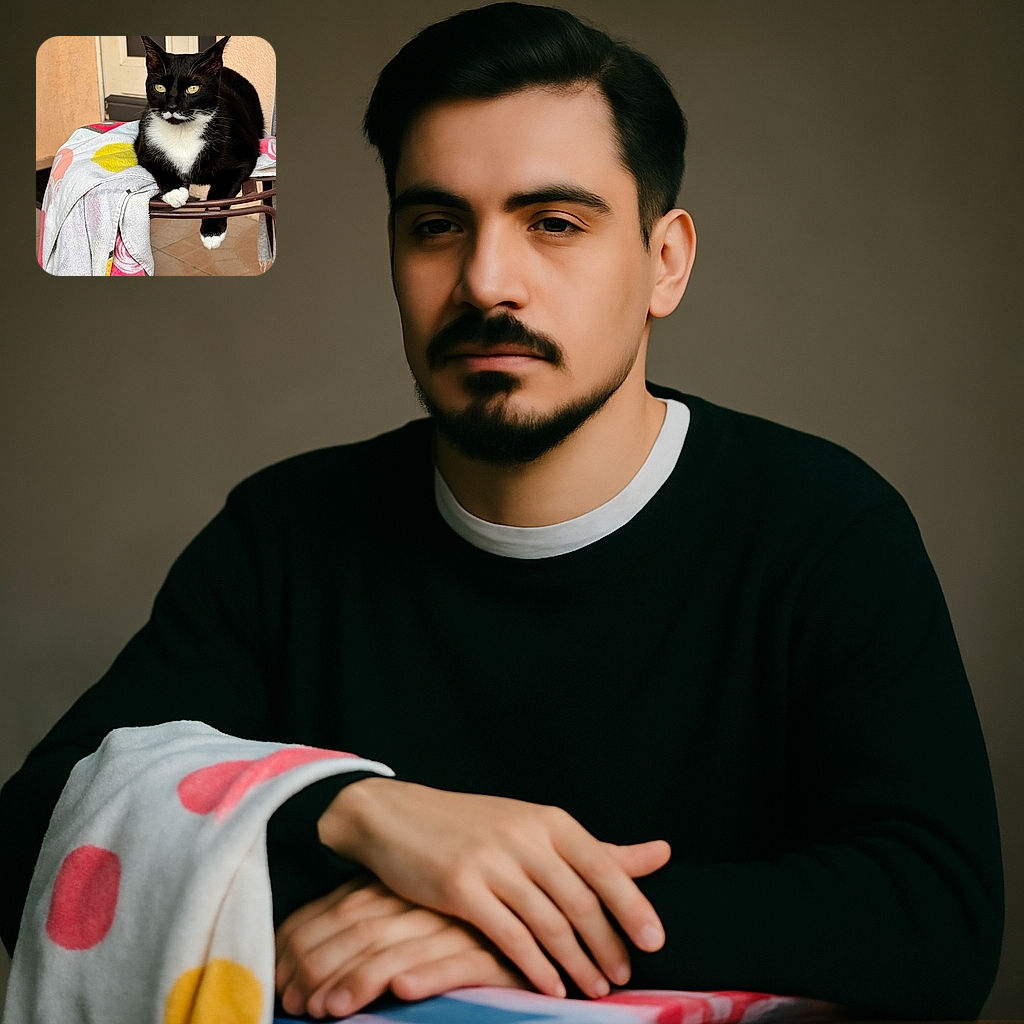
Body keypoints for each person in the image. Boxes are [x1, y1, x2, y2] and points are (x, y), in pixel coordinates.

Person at [1, 4, 1003, 1020]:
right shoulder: (287, 534)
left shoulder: (821, 525)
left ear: (666, 261)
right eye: (436, 225)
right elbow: (33, 833)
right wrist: (362, 814)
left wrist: (497, 923)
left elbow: (934, 918)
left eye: (554, 223)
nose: (485, 280)